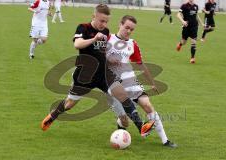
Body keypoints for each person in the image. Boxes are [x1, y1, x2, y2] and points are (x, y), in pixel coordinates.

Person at [41, 4, 154, 137]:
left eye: (106, 21)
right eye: (101, 20)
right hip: (85, 76)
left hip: (103, 74)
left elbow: (102, 51)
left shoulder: (105, 31)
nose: (104, 24)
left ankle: (141, 127)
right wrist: (94, 38)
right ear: (93, 16)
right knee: (70, 103)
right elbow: (77, 44)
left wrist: (110, 60)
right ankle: (53, 116)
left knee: (122, 94)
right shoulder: (83, 27)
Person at [106, 15, 177, 148]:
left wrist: (152, 82)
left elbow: (140, 64)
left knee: (147, 105)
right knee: (125, 120)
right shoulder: (108, 39)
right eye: (126, 27)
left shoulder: (132, 44)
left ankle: (165, 140)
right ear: (120, 25)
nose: (128, 31)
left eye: (131, 29)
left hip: (130, 81)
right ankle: (122, 124)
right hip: (112, 83)